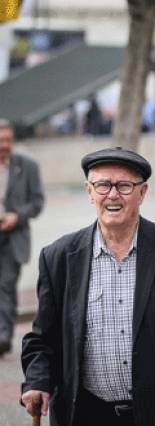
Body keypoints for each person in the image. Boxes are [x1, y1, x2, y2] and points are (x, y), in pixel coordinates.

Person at [20, 147, 155, 425]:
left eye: (124, 186)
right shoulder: (59, 257)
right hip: (86, 413)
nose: (112, 194)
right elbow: (43, 339)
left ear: (142, 192)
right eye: (102, 185)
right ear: (89, 192)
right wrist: (37, 380)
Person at [0, 119, 44, 356]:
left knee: (6, 286)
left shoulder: (27, 166)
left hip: (14, 237)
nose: (5, 145)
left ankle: (3, 336)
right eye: (1, 141)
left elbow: (37, 202)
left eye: (8, 140)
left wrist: (17, 217)